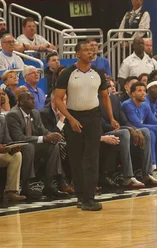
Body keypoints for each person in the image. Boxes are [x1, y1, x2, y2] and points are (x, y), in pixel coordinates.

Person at [54, 40, 120, 211]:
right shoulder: (67, 73)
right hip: (74, 117)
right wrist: (70, 118)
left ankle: (89, 197)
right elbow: (58, 99)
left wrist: (111, 118)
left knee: (92, 158)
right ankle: (81, 196)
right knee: (76, 158)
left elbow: (105, 96)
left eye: (92, 51)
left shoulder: (98, 72)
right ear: (77, 54)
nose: (90, 53)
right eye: (86, 50)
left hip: (93, 117)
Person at [6, 92, 67, 198]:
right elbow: (19, 138)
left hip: (33, 144)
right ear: (21, 102)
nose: (33, 101)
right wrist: (44, 138)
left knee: (54, 145)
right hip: (17, 146)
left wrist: (52, 135)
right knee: (29, 147)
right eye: (29, 99)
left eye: (33, 98)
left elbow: (43, 131)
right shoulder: (13, 115)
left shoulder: (35, 113)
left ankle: (49, 184)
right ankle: (26, 186)